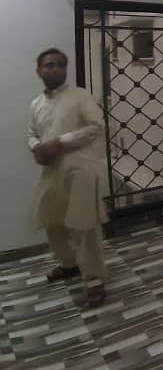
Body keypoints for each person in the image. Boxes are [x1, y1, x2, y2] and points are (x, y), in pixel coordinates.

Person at [27, 48, 109, 307]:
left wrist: (60, 142)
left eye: (61, 64)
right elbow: (31, 133)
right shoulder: (36, 104)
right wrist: (36, 148)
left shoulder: (80, 96)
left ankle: (94, 281)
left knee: (84, 225)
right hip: (52, 171)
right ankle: (69, 264)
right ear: (39, 70)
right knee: (52, 221)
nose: (56, 69)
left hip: (81, 170)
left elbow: (97, 127)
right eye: (50, 65)